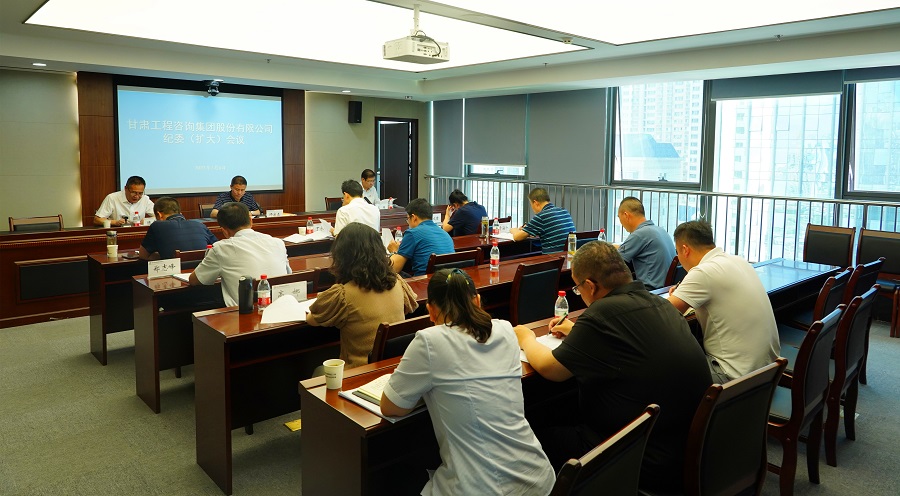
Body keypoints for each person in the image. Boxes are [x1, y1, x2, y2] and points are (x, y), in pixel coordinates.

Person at [515, 241, 711, 493]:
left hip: (638, 456)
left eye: (577, 288)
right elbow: (629, 340)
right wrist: (577, 332)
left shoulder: (601, 313)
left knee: (536, 434)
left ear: (590, 286)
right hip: (684, 446)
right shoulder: (660, 303)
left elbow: (550, 368)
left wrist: (526, 338)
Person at [382, 268, 555, 496]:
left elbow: (391, 407)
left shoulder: (429, 341)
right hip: (539, 479)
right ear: (478, 301)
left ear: (431, 311)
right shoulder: (505, 329)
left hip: (483, 488)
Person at [667, 220, 780, 383]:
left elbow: (663, 313)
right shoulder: (739, 261)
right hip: (768, 372)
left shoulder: (703, 272)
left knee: (665, 373)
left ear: (685, 249)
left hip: (734, 377)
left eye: (677, 252)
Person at [306, 223, 418, 368]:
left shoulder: (344, 294)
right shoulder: (398, 282)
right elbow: (410, 307)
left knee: (318, 371)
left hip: (358, 372)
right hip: (395, 367)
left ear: (342, 255)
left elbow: (312, 320)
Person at [189, 202, 290, 307]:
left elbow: (195, 280)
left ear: (224, 231)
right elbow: (288, 273)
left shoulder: (221, 248)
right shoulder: (278, 242)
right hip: (281, 308)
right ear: (251, 221)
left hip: (244, 313)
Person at [615, 196, 677, 289]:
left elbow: (615, 259)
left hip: (650, 290)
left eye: (619, 217)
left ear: (626, 215)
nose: (621, 223)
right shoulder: (659, 230)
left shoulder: (639, 234)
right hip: (666, 289)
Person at [387, 198, 454, 276]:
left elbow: (395, 268)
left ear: (414, 217)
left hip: (423, 280)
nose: (408, 222)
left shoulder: (412, 233)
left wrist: (394, 252)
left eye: (408, 219)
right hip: (447, 279)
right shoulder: (445, 234)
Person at [138, 197, 217, 260]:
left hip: (173, 272)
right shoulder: (200, 225)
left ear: (159, 214)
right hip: (201, 270)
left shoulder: (157, 226)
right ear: (180, 213)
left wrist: (164, 255)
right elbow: (217, 248)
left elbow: (143, 255)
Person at [510, 188, 576, 254]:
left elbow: (517, 237)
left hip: (553, 257)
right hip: (570, 255)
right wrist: (529, 231)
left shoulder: (541, 216)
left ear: (535, 202)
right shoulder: (564, 211)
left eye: (531, 204)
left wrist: (514, 230)